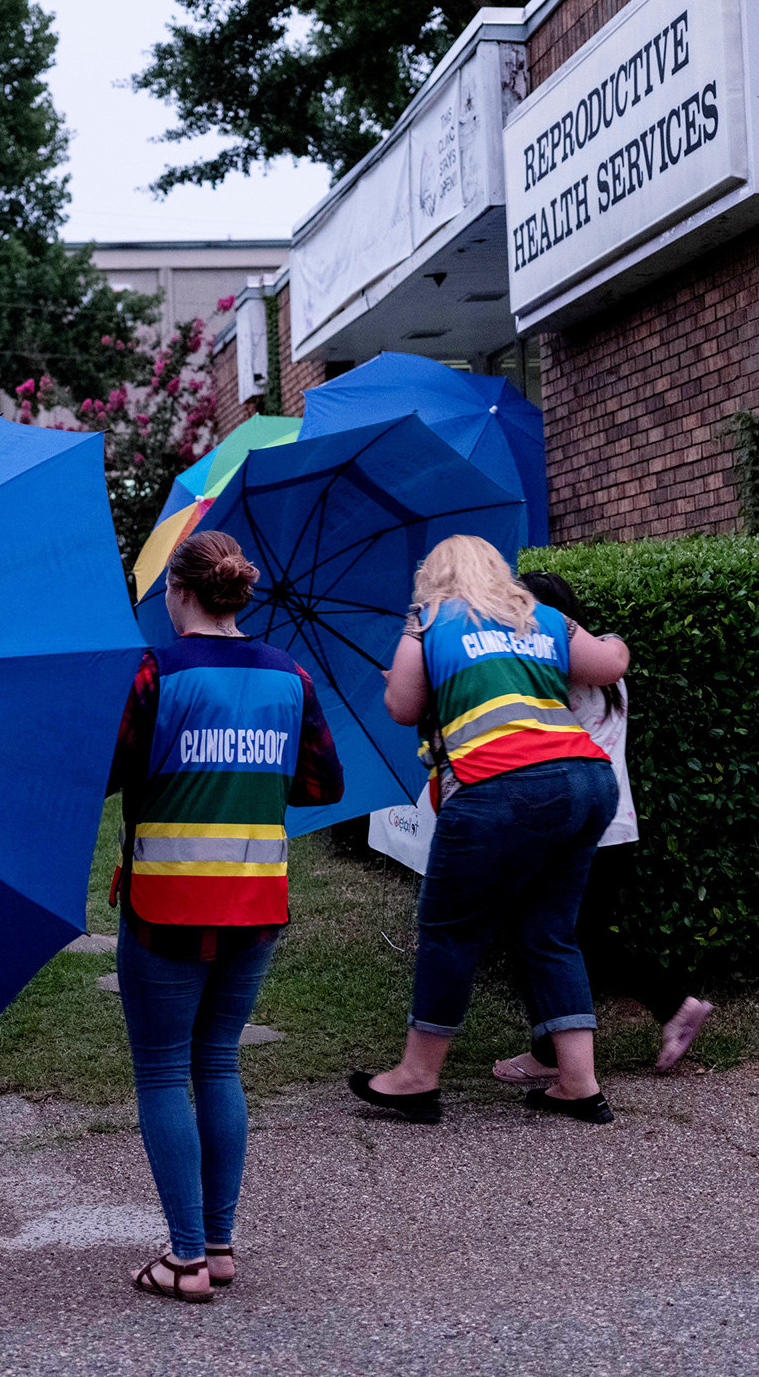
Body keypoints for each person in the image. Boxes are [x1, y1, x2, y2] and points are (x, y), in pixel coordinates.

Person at [108, 532, 344, 1303]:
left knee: (162, 1073)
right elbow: (321, 786)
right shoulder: (290, 678)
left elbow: (111, 772)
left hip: (166, 909)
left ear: (178, 593)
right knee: (217, 1062)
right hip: (254, 902)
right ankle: (219, 1243)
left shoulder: (157, 672)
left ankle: (183, 1262)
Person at [350, 534, 627, 1127]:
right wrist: (614, 637)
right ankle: (579, 1085)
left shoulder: (428, 620)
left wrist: (413, 647)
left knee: (449, 931)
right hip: (586, 782)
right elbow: (610, 666)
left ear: (434, 576)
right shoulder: (539, 615)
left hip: (497, 787)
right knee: (549, 931)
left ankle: (417, 1079)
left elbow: (401, 705)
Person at [490, 572, 712, 1085]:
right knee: (577, 938)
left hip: (571, 831)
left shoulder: (551, 676)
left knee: (544, 939)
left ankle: (552, 1054)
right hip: (617, 828)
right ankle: (672, 1005)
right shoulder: (606, 672)